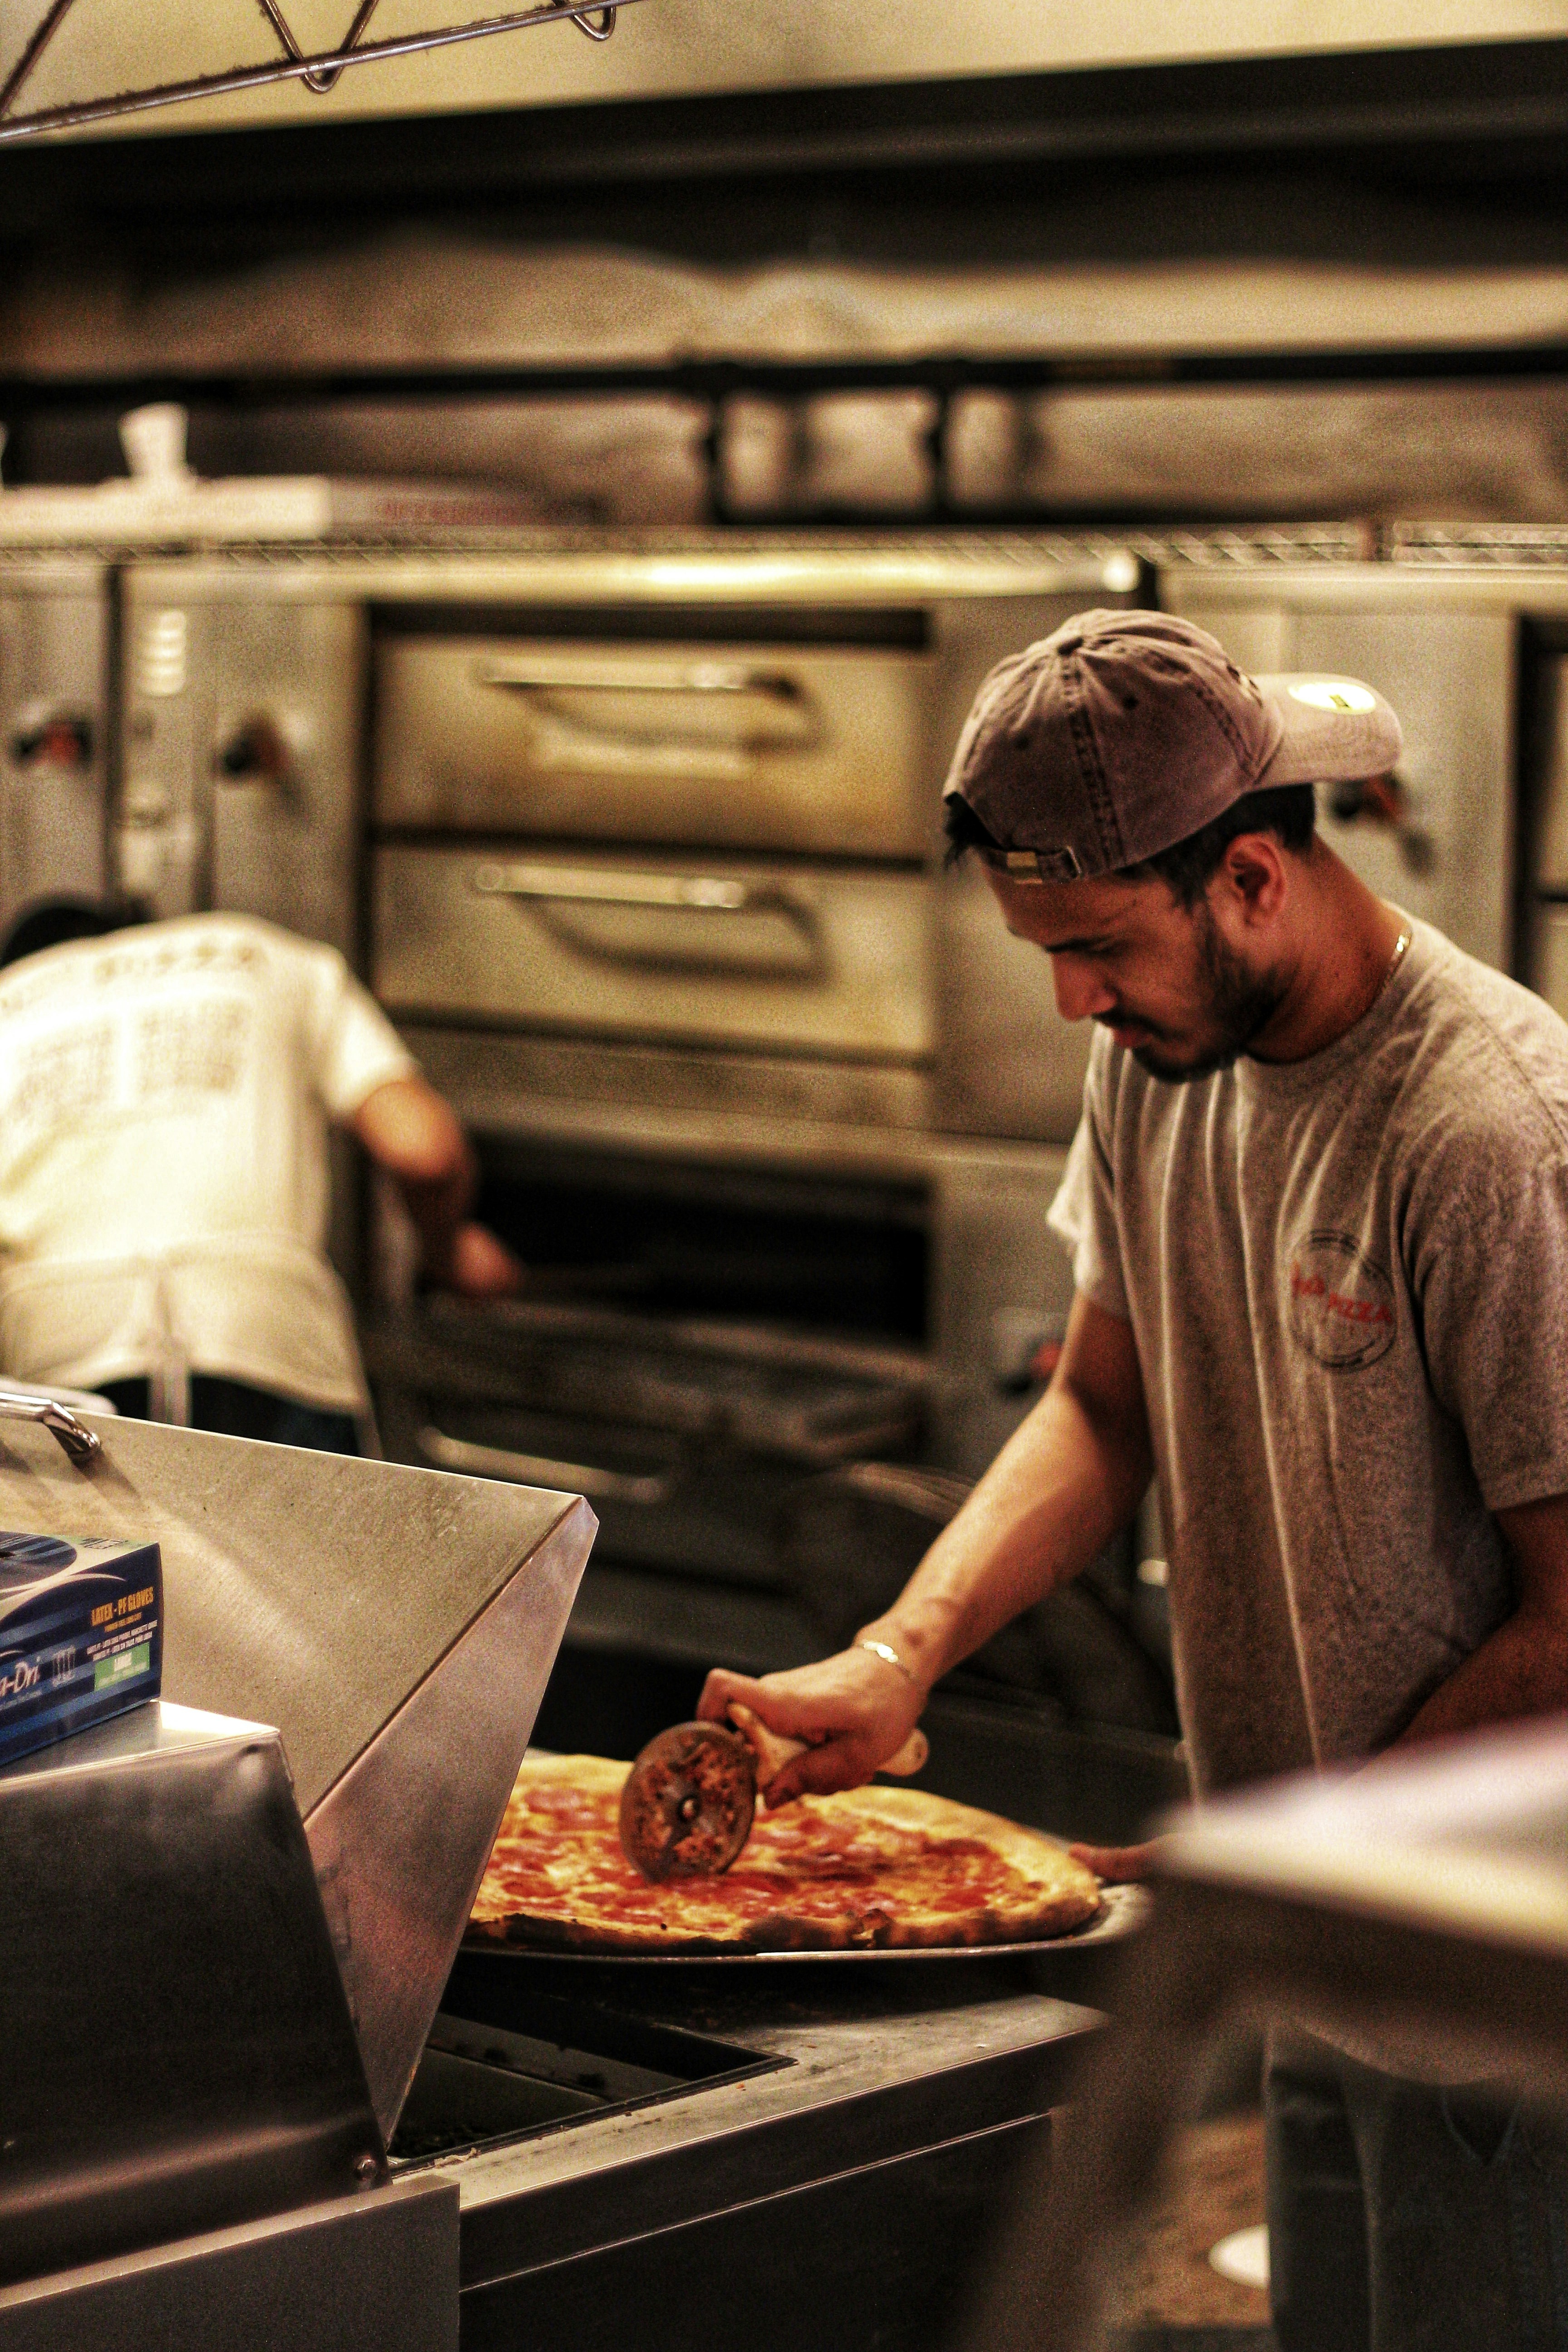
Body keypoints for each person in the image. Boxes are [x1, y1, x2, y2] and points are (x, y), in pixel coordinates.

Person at [697, 609, 1568, 2352]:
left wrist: (1295, 1857)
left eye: (1098, 946)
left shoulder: (1490, 1131)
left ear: (1249, 874)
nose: (1070, 1000)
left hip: (1494, 1988)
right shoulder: (1160, 1061)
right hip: (1312, 1947)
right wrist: (899, 1651)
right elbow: (1105, 1407)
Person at [0, 899, 520, 1453]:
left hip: (59, 1367)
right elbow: (424, 1150)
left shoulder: (7, 1003)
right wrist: (448, 1253)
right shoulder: (271, 958)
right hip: (270, 1342)